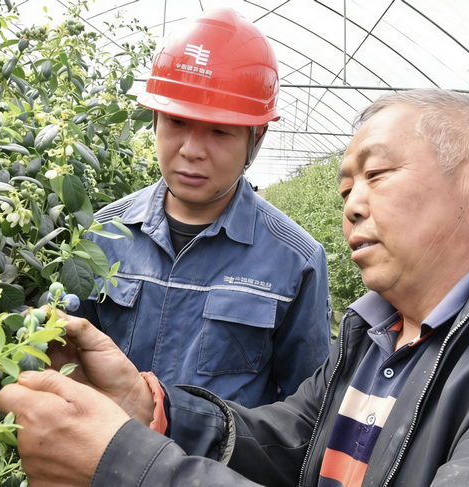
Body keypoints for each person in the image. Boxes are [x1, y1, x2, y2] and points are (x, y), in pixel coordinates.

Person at [0, 89, 469, 486]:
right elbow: (291, 441)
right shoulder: (378, 335)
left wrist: (127, 463)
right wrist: (150, 405)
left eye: (378, 175)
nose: (353, 206)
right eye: (345, 188)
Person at [75, 8, 332, 407]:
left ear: (255, 136)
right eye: (177, 122)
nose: (191, 151)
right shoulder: (104, 233)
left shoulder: (294, 261)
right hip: (106, 462)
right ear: (155, 120)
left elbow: (306, 406)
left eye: (219, 131)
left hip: (216, 470)